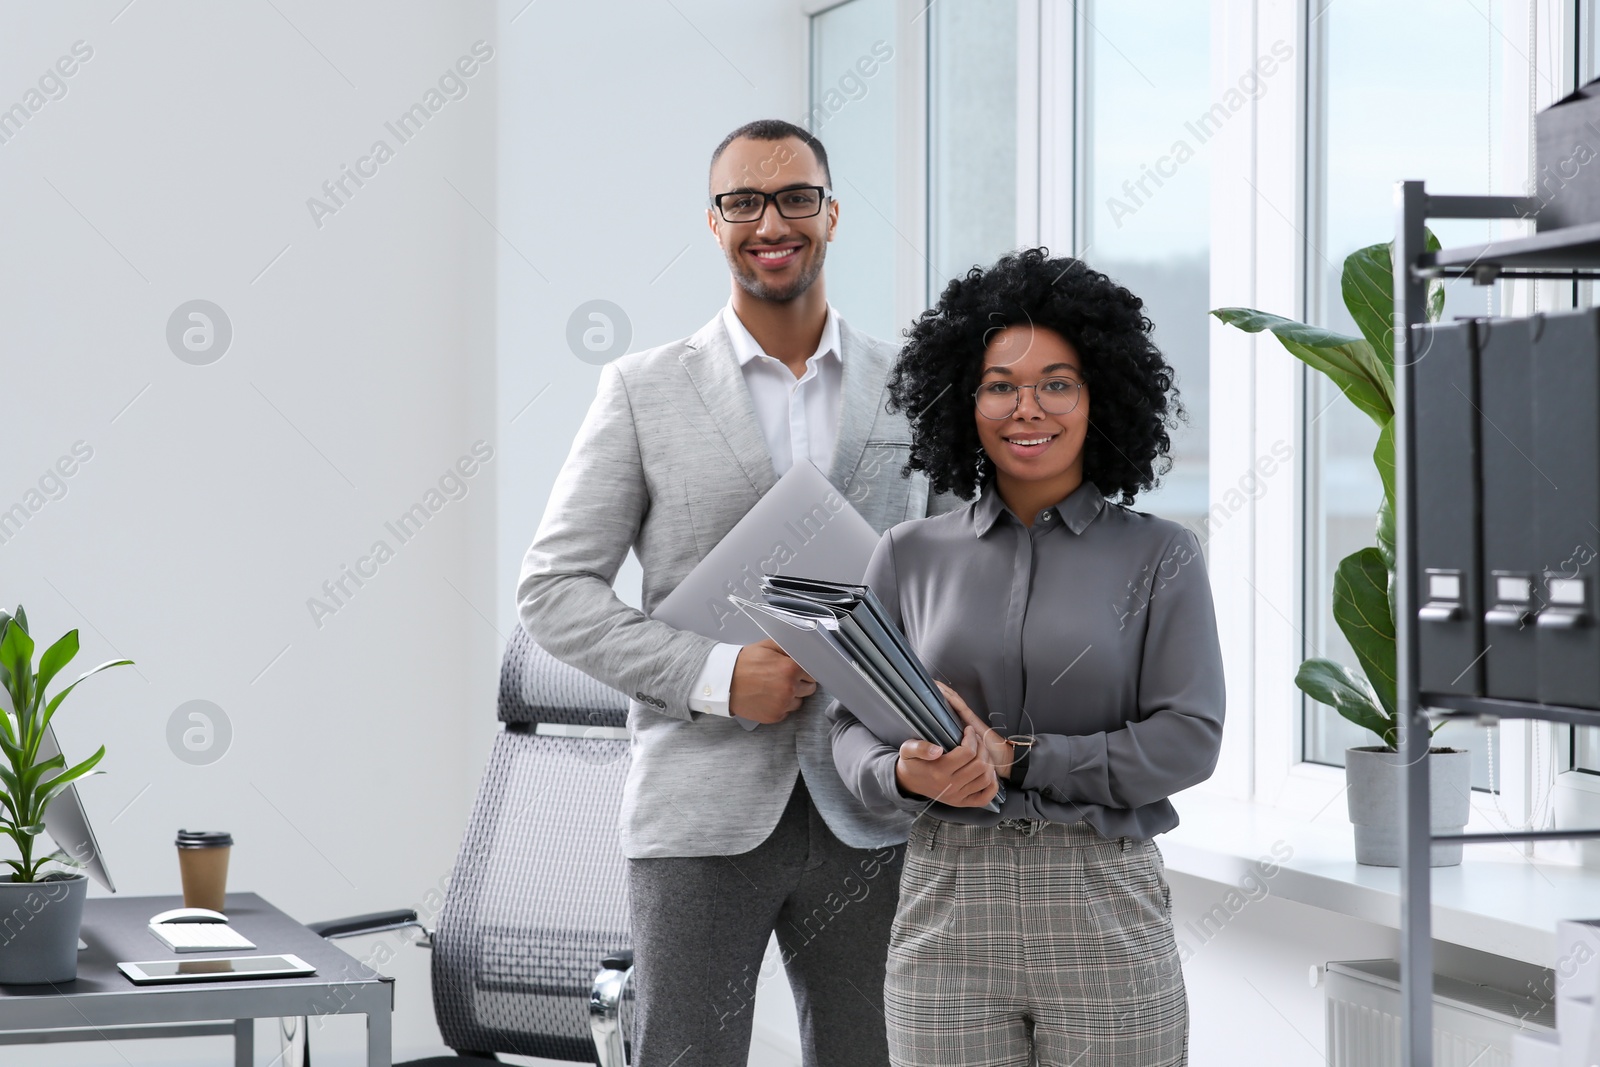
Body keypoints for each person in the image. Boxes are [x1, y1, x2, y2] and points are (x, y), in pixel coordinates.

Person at [516, 119, 965, 1067]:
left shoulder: (916, 389)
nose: (773, 221)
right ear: (714, 223)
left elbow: (965, 580)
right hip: (700, 806)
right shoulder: (642, 389)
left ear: (832, 214)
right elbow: (554, 590)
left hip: (875, 801)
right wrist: (718, 673)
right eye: (744, 201)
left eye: (796, 197)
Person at [828, 247, 1226, 1067]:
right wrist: (906, 772)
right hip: (946, 904)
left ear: (1099, 396)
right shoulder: (907, 554)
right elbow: (848, 727)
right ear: (964, 401)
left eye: (1057, 382)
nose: (1027, 407)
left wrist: (1018, 757)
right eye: (1000, 384)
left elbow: (1190, 736)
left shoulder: (1162, 557)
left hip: (1102, 905)